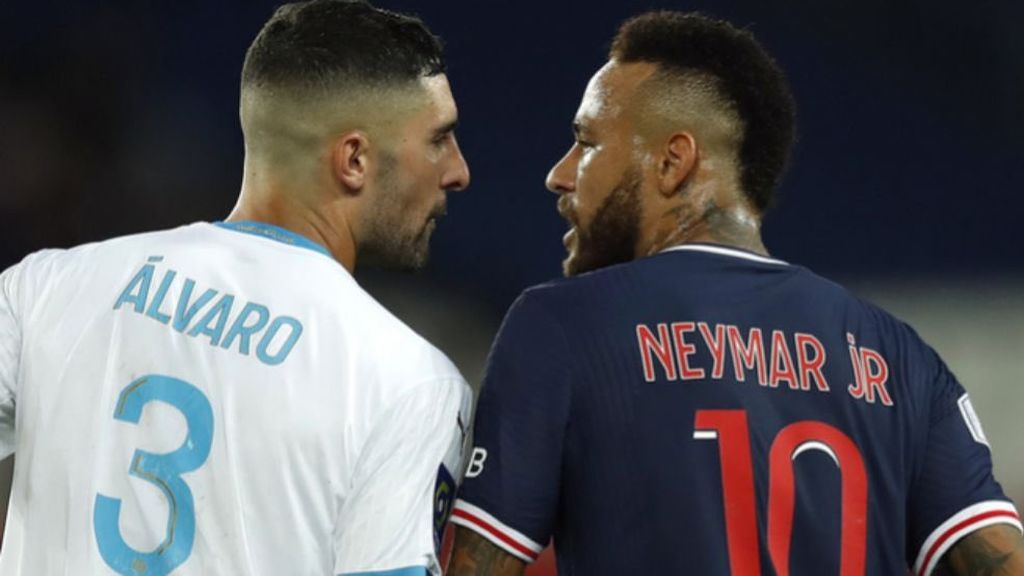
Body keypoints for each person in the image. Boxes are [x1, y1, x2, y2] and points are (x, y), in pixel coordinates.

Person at [448, 10, 1023, 576]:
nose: (560, 172)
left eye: (586, 142)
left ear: (673, 162)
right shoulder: (903, 361)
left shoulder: (560, 328)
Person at [0, 1, 472, 574]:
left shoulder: (47, 287)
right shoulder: (410, 382)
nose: (458, 171)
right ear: (353, 159)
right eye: (440, 139)